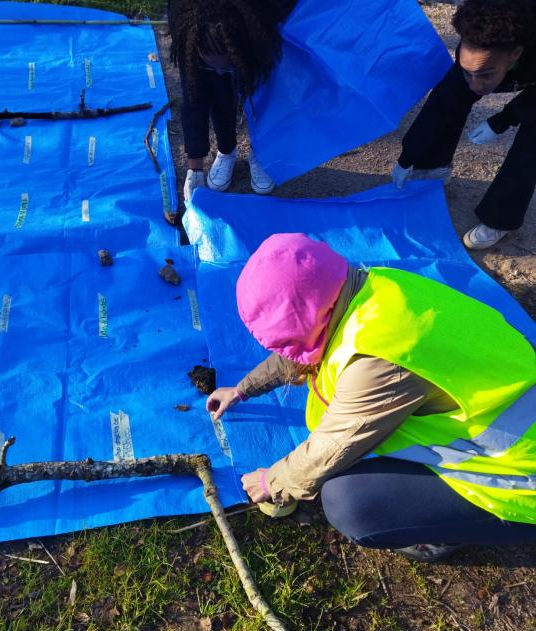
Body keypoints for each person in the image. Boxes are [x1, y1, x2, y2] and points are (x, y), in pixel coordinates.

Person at [206, 233, 536, 561]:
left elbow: (334, 446)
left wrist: (272, 481)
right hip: (507, 397)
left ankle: (448, 531)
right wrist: (242, 390)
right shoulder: (367, 288)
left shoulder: (381, 360)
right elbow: (299, 345)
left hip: (521, 473)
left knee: (349, 502)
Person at [391, 0, 536, 250]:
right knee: (453, 91)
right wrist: (409, 156)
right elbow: (444, 100)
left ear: (515, 53)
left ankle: (501, 217)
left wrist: (504, 118)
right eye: (470, 71)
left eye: (485, 74)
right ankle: (433, 165)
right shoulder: (480, 35)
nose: (476, 86)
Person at [168, 1, 295, 206]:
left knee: (262, 93)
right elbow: (194, 103)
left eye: (225, 64)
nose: (219, 70)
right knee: (217, 91)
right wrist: (195, 168)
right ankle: (226, 150)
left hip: (254, 29)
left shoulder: (261, 20)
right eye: (212, 63)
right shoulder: (187, 28)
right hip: (204, 33)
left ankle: (261, 153)